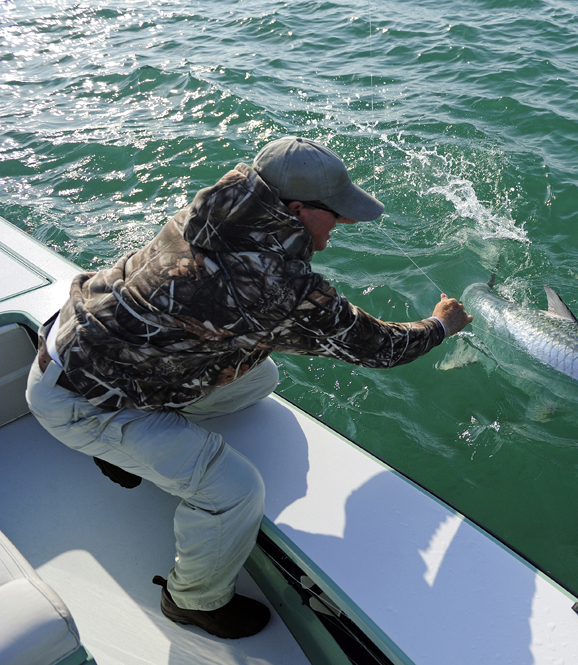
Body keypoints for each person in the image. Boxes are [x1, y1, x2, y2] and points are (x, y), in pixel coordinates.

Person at [25, 136, 472, 639]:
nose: (345, 223)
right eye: (337, 213)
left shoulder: (211, 211)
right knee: (235, 491)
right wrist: (440, 326)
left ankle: (128, 448)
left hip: (73, 340)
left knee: (258, 378)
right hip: (80, 399)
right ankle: (191, 601)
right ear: (297, 209)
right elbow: (379, 349)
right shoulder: (279, 285)